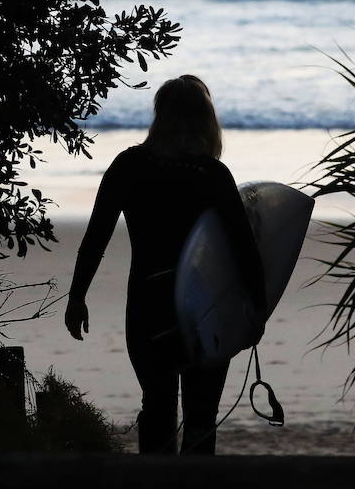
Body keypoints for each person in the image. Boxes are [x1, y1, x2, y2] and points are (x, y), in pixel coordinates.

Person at [64, 75, 266, 455]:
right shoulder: (212, 175)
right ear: (206, 120)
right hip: (206, 309)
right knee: (202, 416)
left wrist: (78, 297)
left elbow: (95, 239)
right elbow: (244, 249)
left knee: (156, 408)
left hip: (148, 307)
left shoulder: (129, 166)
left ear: (161, 116)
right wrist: (257, 309)